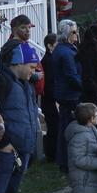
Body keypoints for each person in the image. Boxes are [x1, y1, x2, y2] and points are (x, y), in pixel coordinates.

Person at [0, 44, 42, 193]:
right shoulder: (2, 81)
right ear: (17, 62)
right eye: (31, 66)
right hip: (5, 151)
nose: (34, 71)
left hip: (21, 150)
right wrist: (4, 143)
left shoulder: (24, 84)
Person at [50, 20, 83, 171]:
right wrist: (85, 88)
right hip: (70, 95)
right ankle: (65, 161)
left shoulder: (65, 49)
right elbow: (71, 76)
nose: (76, 35)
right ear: (66, 34)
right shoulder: (65, 52)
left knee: (65, 126)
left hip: (65, 93)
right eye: (74, 32)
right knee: (68, 128)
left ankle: (63, 160)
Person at [40, 33, 59, 161]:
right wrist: (56, 100)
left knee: (54, 127)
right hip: (50, 101)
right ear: (49, 46)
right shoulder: (49, 61)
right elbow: (51, 83)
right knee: (53, 128)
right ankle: (51, 155)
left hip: (49, 100)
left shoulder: (50, 60)